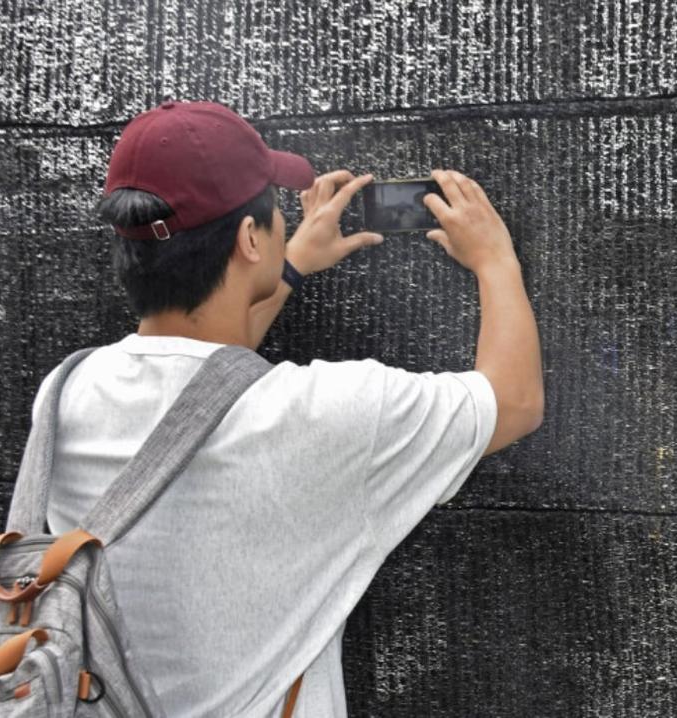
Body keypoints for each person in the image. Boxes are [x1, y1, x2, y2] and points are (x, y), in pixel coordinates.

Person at [31, 98, 544, 716]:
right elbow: (513, 401)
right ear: (250, 237)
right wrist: (494, 258)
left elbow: (204, 387)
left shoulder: (66, 393)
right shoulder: (326, 413)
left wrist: (286, 265)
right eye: (273, 215)